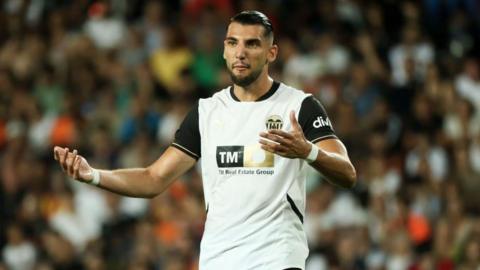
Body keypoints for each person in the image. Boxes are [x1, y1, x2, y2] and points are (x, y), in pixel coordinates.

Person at [54, 10, 356, 270]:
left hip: (276, 258)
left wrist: (309, 152)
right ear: (224, 50)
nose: (241, 52)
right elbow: (153, 178)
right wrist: (92, 175)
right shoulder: (206, 113)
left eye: (252, 44)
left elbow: (347, 173)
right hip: (218, 260)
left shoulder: (300, 106)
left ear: (271, 53)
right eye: (232, 43)